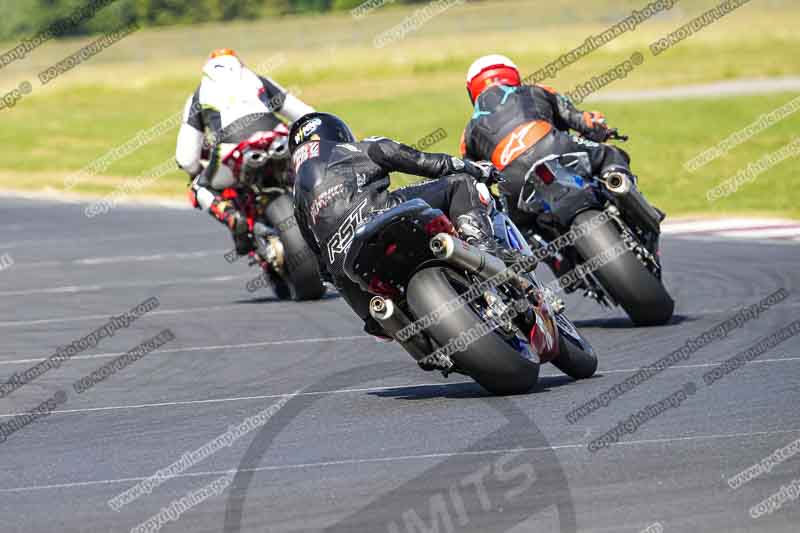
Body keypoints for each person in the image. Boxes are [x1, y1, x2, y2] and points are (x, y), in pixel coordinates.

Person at [289, 112, 499, 337]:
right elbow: (427, 163)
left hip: (347, 261)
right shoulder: (360, 148)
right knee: (461, 183)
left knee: (346, 285)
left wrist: (368, 315)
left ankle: (394, 328)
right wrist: (477, 170)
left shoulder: (297, 200)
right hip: (383, 213)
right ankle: (483, 247)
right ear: (337, 133)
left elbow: (322, 264)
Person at [460, 54, 659, 229]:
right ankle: (623, 190)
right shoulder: (536, 90)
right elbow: (581, 120)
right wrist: (600, 126)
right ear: (513, 76)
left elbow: (474, 181)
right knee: (611, 154)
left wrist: (498, 205)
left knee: (519, 227)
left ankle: (550, 255)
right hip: (554, 147)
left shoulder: (468, 131)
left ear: (472, 90)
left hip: (513, 181)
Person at [175, 48, 315, 255]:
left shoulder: (197, 95)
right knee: (305, 170)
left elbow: (185, 158)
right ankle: (317, 206)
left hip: (232, 148)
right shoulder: (258, 79)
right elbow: (306, 114)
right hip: (277, 136)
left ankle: (232, 216)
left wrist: (196, 171)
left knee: (198, 188)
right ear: (239, 65)